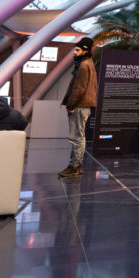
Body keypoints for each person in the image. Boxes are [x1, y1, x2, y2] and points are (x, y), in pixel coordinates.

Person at [58, 37, 98, 177]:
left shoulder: (84, 65)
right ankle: (76, 166)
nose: (74, 52)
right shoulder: (88, 64)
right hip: (83, 106)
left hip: (79, 106)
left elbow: (79, 88)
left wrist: (71, 105)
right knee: (78, 137)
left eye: (77, 50)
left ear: (85, 50)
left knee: (77, 137)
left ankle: (75, 166)